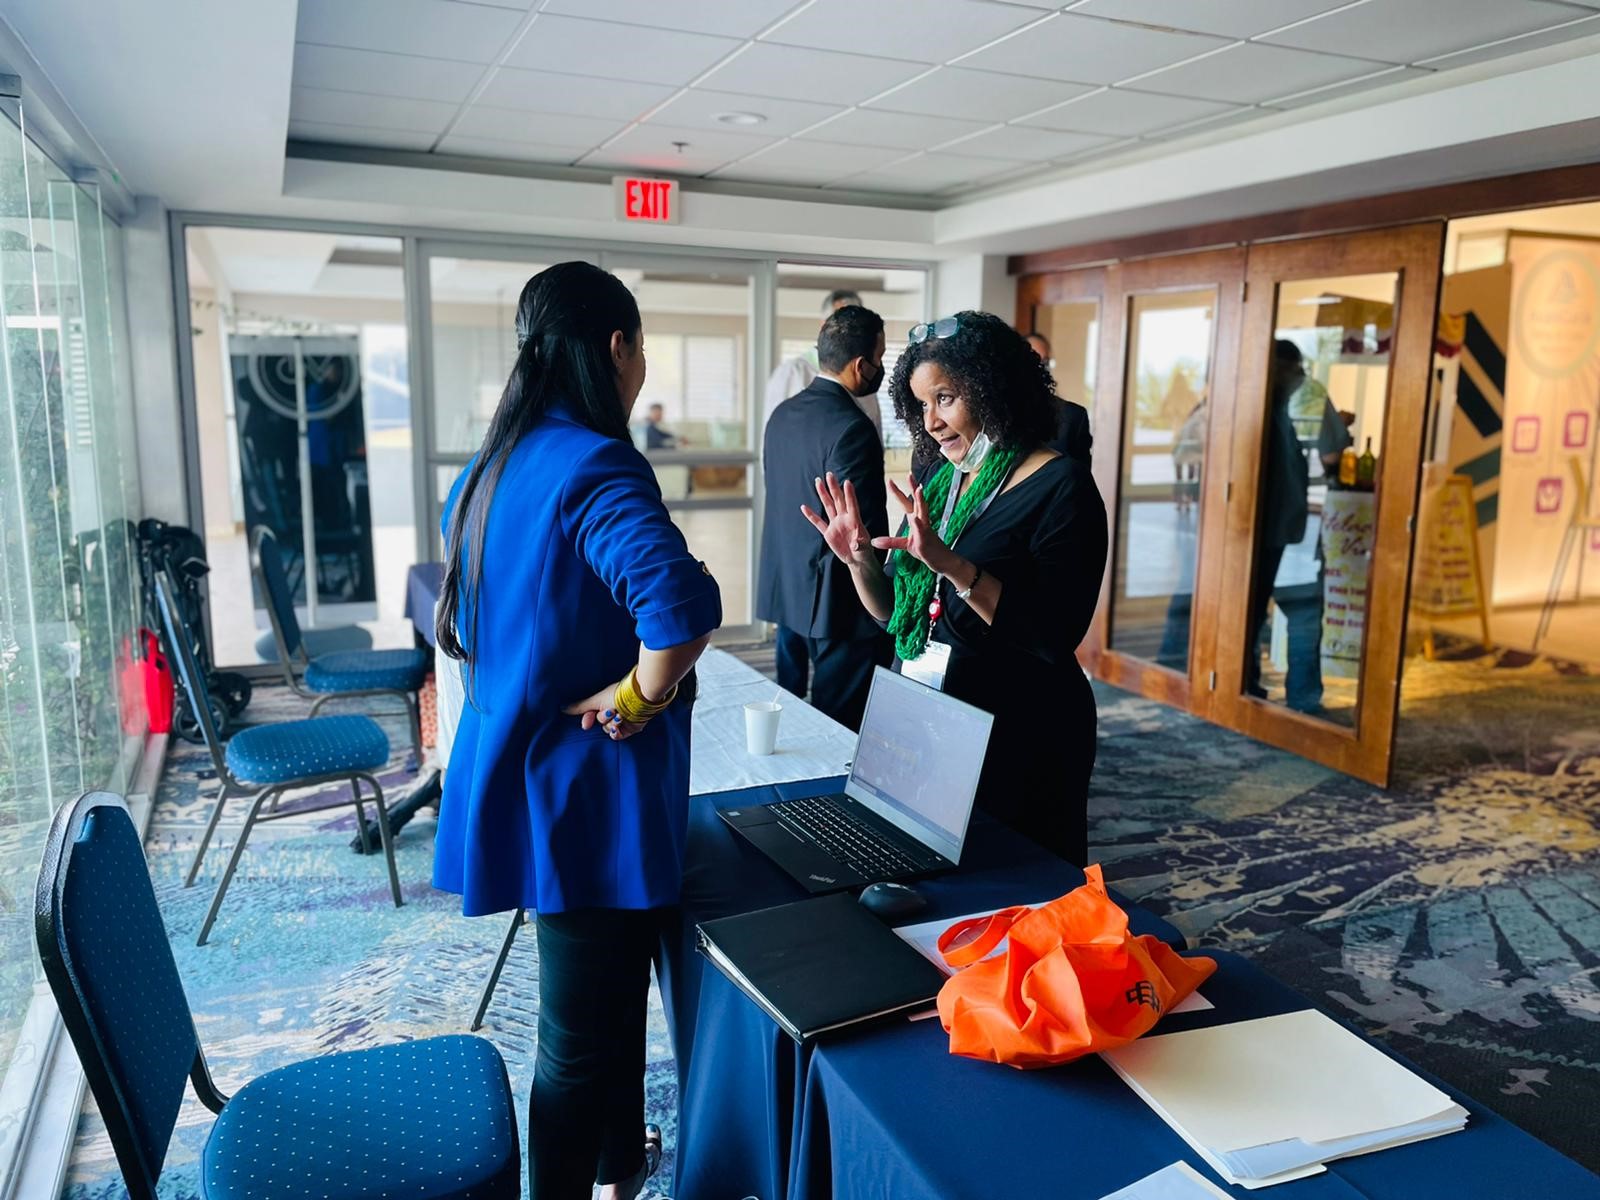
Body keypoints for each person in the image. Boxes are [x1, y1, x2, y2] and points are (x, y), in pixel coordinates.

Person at [434, 262, 721, 1200]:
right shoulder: (594, 462)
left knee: (604, 1005)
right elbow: (677, 610)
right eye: (641, 351)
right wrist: (639, 698)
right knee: (574, 1043)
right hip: (587, 797)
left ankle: (618, 1168)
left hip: (525, 776)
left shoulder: (489, 468)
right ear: (617, 347)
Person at [802, 312, 1108, 864]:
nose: (932, 422)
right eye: (921, 405)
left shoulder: (1063, 486)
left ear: (994, 389)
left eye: (945, 399)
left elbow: (1053, 633)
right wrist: (857, 561)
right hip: (933, 716)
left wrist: (952, 565)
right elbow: (894, 615)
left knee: (1014, 885)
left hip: (1021, 729)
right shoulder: (942, 480)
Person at [757, 304, 892, 729]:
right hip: (837, 600)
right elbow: (864, 529)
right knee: (839, 723)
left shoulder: (782, 414)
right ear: (860, 365)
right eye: (880, 358)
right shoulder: (852, 427)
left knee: (789, 709)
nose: (880, 368)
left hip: (788, 583)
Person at [764, 287, 884, 439]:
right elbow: (773, 436)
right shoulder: (792, 373)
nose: (851, 332)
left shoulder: (866, 378)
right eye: (841, 323)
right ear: (823, 327)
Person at [1025, 330, 1093, 466]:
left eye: (1045, 362)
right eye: (1033, 359)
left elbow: (1081, 475)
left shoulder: (1072, 417)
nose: (1040, 367)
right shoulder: (997, 414)